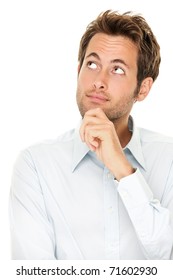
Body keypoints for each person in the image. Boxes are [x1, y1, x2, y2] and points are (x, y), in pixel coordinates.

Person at [9, 10, 173, 260]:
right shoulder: (35, 165)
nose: (98, 81)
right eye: (92, 64)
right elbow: (33, 272)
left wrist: (122, 169)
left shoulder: (169, 159)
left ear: (143, 88)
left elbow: (167, 255)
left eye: (117, 69)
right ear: (78, 70)